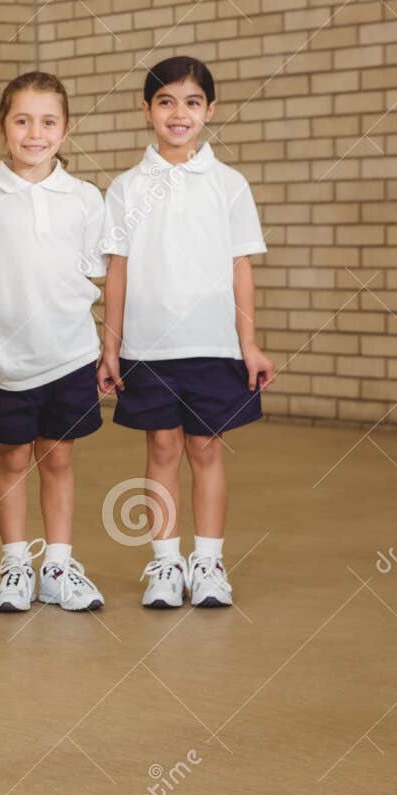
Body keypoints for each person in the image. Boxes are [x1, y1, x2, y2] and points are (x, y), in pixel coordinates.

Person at [97, 56, 274, 609]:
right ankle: (166, 564)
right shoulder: (126, 188)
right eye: (167, 101)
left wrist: (248, 344)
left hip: (213, 344)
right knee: (163, 448)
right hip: (149, 348)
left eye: (192, 102)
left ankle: (209, 562)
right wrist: (112, 345)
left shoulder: (228, 184)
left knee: (205, 449)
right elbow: (118, 269)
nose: (180, 113)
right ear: (147, 110)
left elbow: (240, 265)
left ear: (210, 111)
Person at [0, 72, 108, 613]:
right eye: (22, 120)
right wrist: (5, 315)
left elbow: (92, 273)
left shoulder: (86, 199)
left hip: (69, 355)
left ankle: (59, 566)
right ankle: (16, 564)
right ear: (3, 128)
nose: (34, 133)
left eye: (48, 122)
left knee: (58, 461)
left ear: (64, 130)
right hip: (6, 361)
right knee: (12, 458)